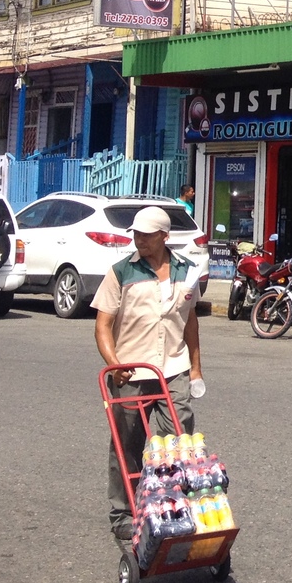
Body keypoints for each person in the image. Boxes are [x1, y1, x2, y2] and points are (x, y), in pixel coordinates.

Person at [93, 205, 204, 549]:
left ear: (164, 236)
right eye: (135, 234)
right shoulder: (121, 271)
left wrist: (196, 367)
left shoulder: (187, 271)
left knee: (179, 438)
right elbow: (103, 325)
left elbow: (190, 322)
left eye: (145, 235)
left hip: (172, 368)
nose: (138, 240)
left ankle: (172, 503)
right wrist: (114, 363)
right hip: (131, 372)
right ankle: (123, 514)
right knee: (126, 443)